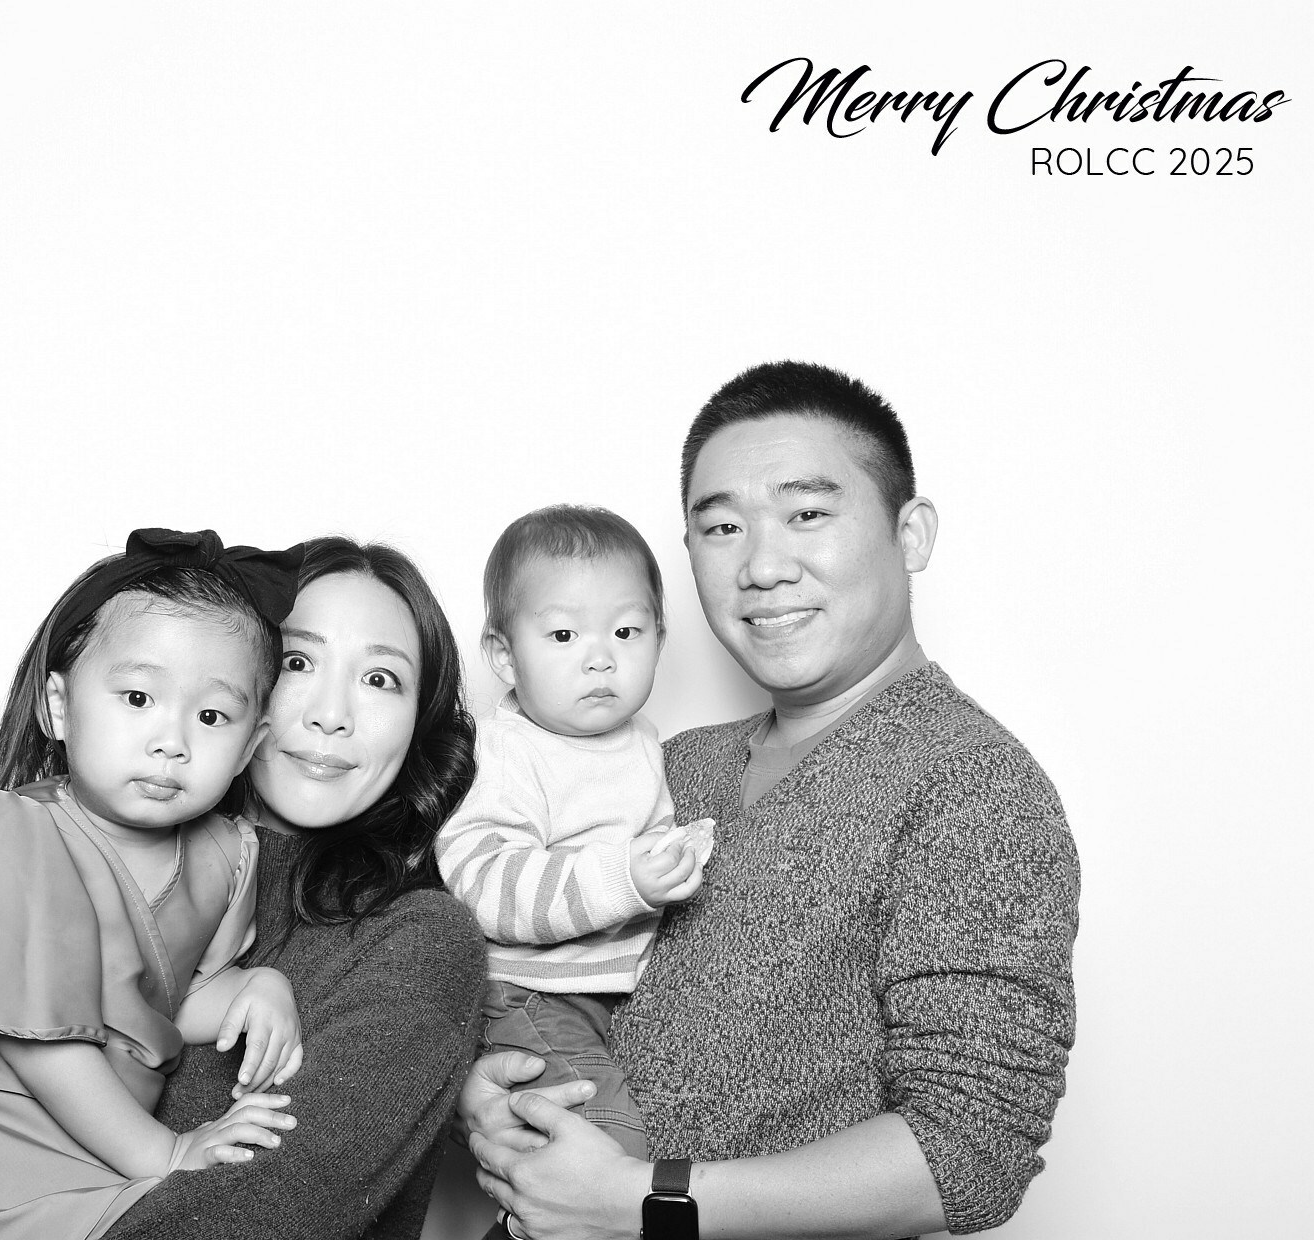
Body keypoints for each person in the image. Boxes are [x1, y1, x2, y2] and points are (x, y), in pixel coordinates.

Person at [465, 362, 1080, 1239]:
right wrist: (488, 1094)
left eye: (807, 514)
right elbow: (538, 961)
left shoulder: (974, 787)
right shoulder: (669, 762)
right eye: (722, 527)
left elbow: (970, 1152)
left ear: (910, 534)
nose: (760, 566)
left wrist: (646, 1200)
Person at [0, 529, 307, 1240]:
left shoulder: (227, 855)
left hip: (99, 1158)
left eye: (211, 716)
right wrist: (167, 1154)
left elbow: (172, 1005)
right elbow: (43, 1045)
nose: (171, 741)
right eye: (138, 697)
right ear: (59, 705)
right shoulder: (12, 834)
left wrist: (260, 988)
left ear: (250, 746)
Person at [106, 536, 488, 1240]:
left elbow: (259, 1211)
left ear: (420, 728)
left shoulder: (421, 942)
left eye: (381, 679)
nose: (330, 714)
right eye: (297, 662)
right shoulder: (102, 868)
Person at [436, 505, 711, 1158]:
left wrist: (679, 855)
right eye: (563, 635)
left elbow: (642, 855)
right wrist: (625, 878)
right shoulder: (508, 751)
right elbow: (482, 881)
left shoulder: (641, 741)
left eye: (626, 632)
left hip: (603, 997)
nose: (600, 660)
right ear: (504, 656)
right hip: (524, 995)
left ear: (660, 639)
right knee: (606, 1145)